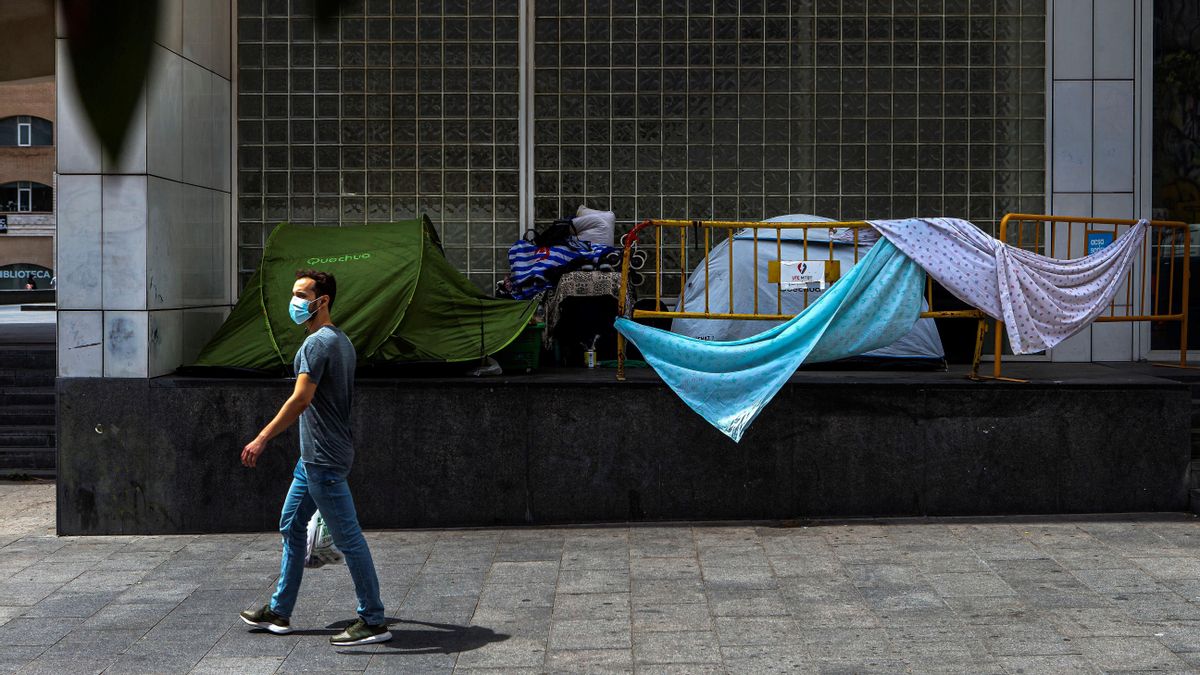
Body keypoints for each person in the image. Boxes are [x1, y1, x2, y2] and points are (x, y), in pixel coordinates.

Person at [238, 269, 392, 647]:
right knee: (291, 525)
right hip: (314, 458)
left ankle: (373, 620)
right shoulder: (341, 341)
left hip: (323, 458)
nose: (295, 301)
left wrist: (261, 438)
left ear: (321, 301)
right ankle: (279, 612)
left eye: (301, 294)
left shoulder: (317, 345)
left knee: (349, 538)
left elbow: (301, 399)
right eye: (295, 293)